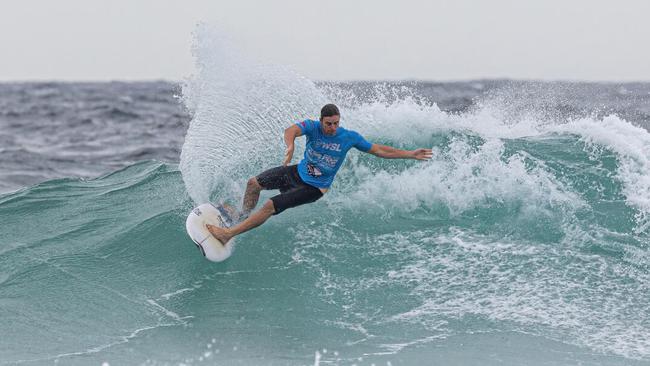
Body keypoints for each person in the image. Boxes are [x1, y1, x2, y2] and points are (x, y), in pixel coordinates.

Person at [207, 103, 432, 244]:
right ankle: (241, 216)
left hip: (314, 188)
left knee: (269, 206)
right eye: (328, 124)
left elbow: (379, 150)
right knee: (253, 183)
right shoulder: (313, 127)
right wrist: (291, 146)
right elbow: (291, 130)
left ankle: (228, 234)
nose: (332, 128)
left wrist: (410, 154)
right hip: (298, 173)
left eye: (336, 123)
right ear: (321, 120)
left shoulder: (348, 137)